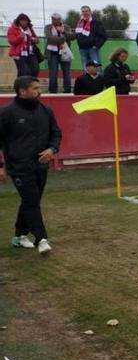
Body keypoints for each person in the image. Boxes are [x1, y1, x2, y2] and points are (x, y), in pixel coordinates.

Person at [0, 76, 62, 255]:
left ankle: (19, 236)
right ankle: (41, 239)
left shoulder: (46, 111)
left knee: (30, 201)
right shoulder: (7, 113)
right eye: (35, 88)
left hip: (41, 166)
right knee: (32, 202)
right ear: (22, 91)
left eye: (39, 88)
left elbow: (56, 133)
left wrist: (52, 149)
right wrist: (1, 165)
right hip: (19, 167)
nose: (39, 91)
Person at [44, 13, 74, 94]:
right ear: (52, 19)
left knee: (67, 73)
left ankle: (67, 90)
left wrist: (63, 32)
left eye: (58, 19)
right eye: (54, 19)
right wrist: (63, 39)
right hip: (52, 53)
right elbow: (50, 38)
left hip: (64, 52)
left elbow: (72, 37)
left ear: (61, 19)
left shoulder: (66, 27)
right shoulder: (48, 27)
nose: (56, 20)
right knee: (53, 73)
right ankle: (53, 91)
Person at [75, 6, 107, 73]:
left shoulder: (96, 22)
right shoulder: (80, 23)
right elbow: (76, 34)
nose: (85, 13)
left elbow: (104, 36)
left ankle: (100, 82)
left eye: (86, 11)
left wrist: (97, 46)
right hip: (82, 49)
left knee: (97, 67)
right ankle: (87, 83)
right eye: (83, 11)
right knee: (85, 68)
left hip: (93, 49)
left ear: (90, 12)